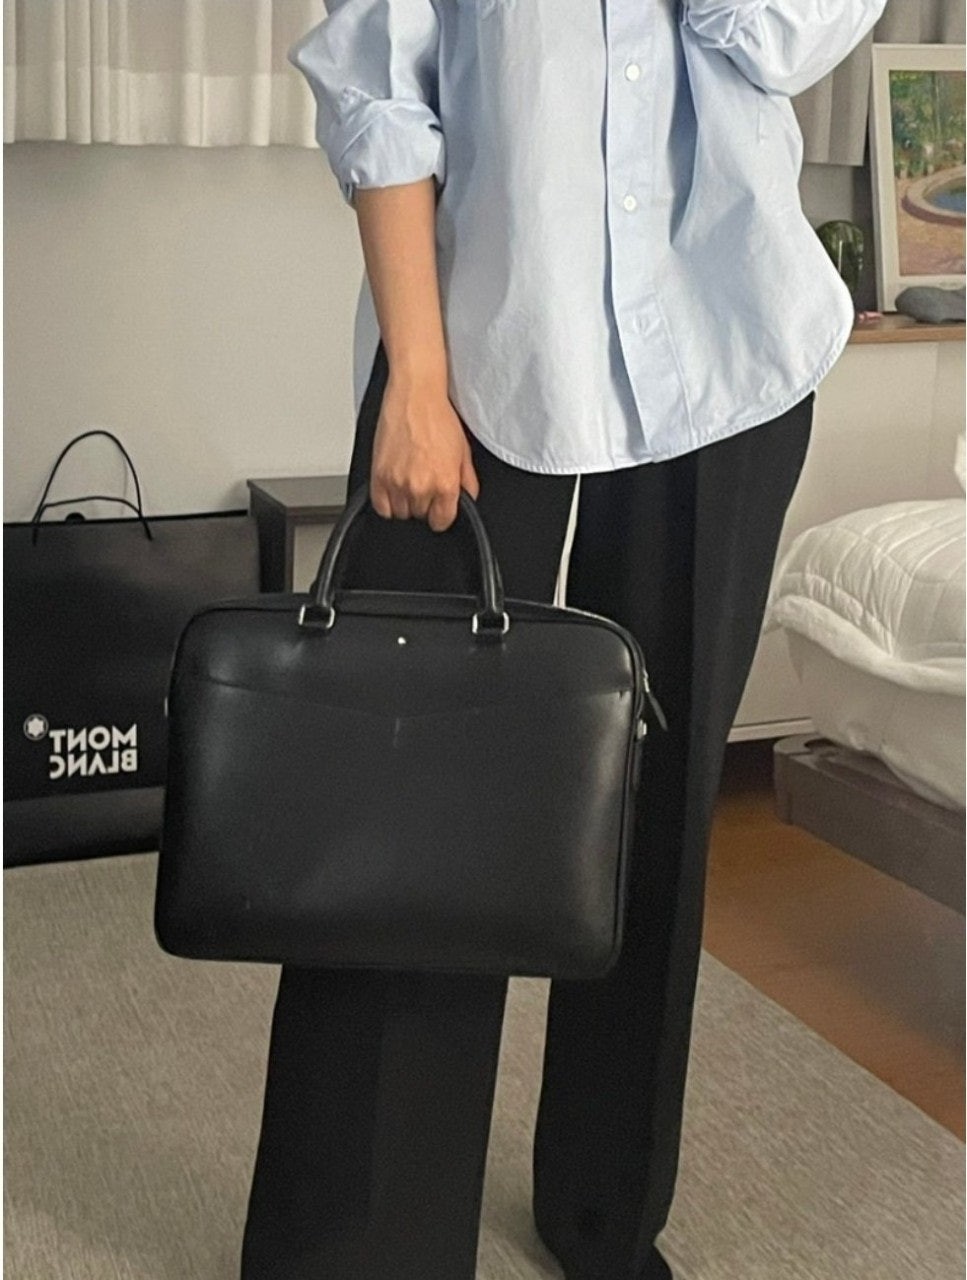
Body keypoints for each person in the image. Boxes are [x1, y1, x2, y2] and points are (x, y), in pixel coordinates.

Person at [240, 3, 888, 1278]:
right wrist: (414, 381)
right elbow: (377, 78)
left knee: (657, 806)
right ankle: (356, 1246)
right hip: (474, 356)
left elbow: (777, 36)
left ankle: (605, 1212)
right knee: (409, 812)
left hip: (723, 347)